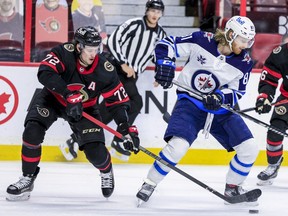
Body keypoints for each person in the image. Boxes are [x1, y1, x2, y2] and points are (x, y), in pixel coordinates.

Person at [5, 26, 139, 201]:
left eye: (96, 49)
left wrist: (124, 127)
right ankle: (28, 178)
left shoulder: (105, 70)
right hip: (52, 99)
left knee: (96, 153)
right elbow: (44, 73)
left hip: (86, 109)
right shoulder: (63, 52)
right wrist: (67, 93)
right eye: (89, 50)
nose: (94, 54)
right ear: (78, 47)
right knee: (32, 132)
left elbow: (118, 102)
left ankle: (106, 170)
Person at [136, 16, 260, 204]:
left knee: (249, 148)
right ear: (230, 34)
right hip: (190, 104)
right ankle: (149, 183)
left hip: (219, 110)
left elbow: (238, 91)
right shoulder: (202, 40)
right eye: (243, 40)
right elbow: (166, 43)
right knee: (178, 146)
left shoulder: (244, 62)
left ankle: (233, 188)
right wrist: (165, 64)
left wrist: (220, 97)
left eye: (249, 41)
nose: (246, 45)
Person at [63, 0, 166, 162]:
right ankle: (119, 139)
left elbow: (158, 55)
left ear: (161, 14)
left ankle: (76, 137)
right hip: (116, 67)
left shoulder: (161, 34)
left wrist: (160, 72)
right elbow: (113, 41)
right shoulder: (134, 24)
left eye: (158, 12)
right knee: (135, 101)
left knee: (111, 107)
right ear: (147, 11)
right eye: (152, 11)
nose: (155, 15)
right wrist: (123, 63)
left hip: (131, 74)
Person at [254, 42, 288, 186]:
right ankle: (273, 165)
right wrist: (265, 97)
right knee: (275, 131)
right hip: (287, 99)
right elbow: (269, 79)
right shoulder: (281, 53)